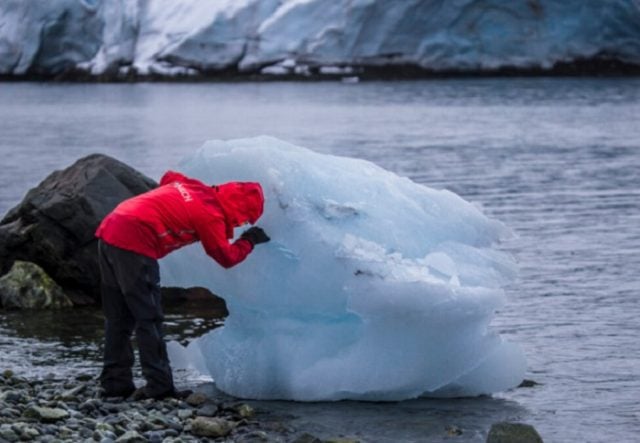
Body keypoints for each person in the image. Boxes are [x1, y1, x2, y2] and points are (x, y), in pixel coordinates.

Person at [95, 170, 270, 400]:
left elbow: (169, 177)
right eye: (245, 219)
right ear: (239, 211)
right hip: (135, 243)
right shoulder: (211, 215)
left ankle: (114, 385)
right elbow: (226, 257)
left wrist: (169, 206)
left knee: (119, 317)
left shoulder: (195, 187)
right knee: (149, 318)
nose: (242, 224)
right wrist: (249, 240)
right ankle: (160, 388)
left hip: (110, 229)